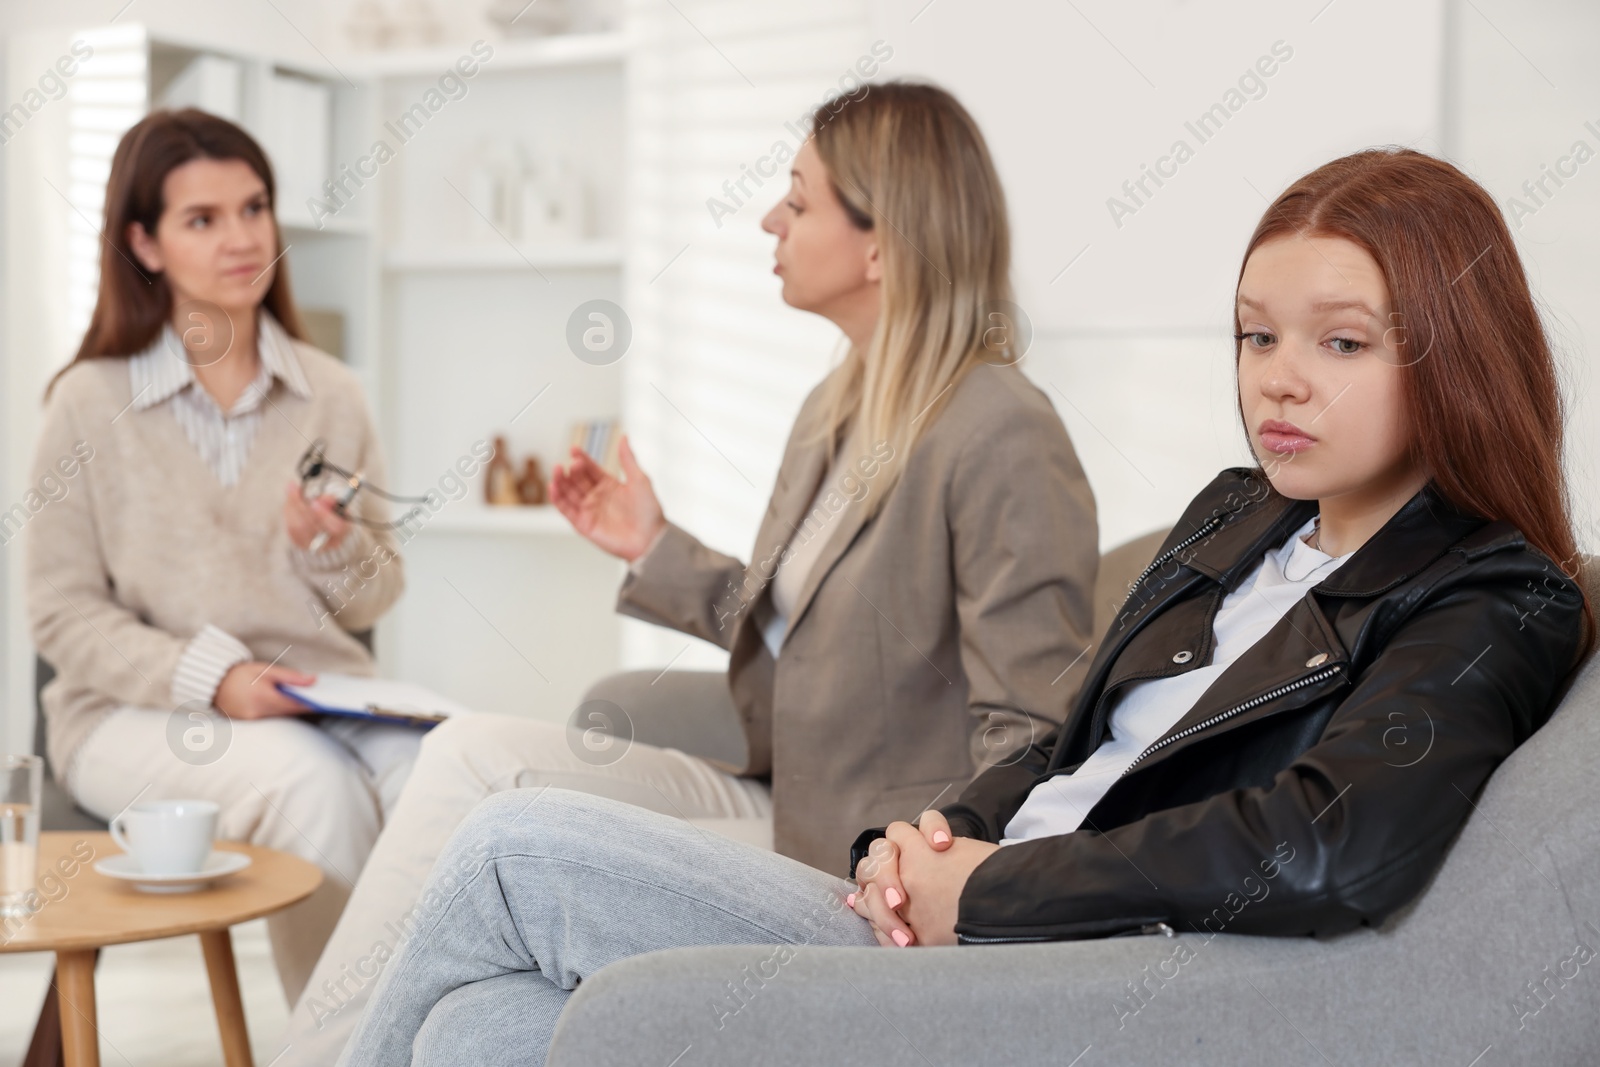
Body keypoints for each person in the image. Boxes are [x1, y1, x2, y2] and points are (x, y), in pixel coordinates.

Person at [337, 145, 1593, 1065]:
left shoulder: (1494, 592)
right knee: (482, 1029)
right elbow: (1071, 737)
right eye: (1256, 336)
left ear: (1451, 351)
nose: (1278, 381)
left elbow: (1322, 838)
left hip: (1049, 957)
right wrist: (931, 835)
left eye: (1341, 343)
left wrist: (988, 890)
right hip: (955, 894)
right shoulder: (1238, 513)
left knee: (514, 844)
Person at [283, 81, 1099, 1059]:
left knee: (485, 992)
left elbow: (1034, 729)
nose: (770, 218)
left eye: (798, 200)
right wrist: (654, 544)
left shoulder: (999, 428)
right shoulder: (838, 405)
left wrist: (936, 885)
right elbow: (811, 626)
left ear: (881, 244)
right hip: (778, 791)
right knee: (465, 755)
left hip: (862, 857)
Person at [25, 109, 419, 1003]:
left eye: (255, 208)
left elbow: (376, 596)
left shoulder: (333, 393)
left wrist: (330, 550)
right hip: (131, 711)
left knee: (440, 772)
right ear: (145, 242)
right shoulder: (86, 404)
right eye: (203, 219)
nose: (243, 239)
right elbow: (60, 613)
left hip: (318, 693)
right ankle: (344, 1049)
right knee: (309, 786)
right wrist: (217, 678)